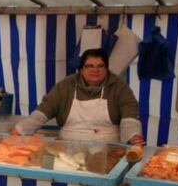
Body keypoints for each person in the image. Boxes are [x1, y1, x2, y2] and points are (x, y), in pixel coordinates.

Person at [13, 48, 145, 145]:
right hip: (68, 146)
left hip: (108, 148)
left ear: (106, 69)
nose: (95, 70)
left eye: (100, 66)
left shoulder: (119, 87)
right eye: (89, 66)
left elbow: (130, 115)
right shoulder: (66, 85)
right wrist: (21, 129)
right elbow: (44, 110)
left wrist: (133, 136)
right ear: (81, 70)